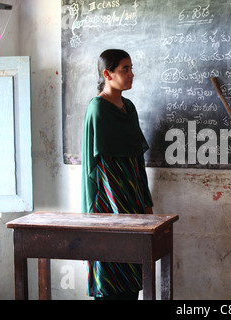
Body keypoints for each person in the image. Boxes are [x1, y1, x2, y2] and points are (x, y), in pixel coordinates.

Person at [81, 49, 154, 300]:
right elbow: (103, 167)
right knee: (110, 275)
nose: (131, 74)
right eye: (125, 69)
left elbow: (137, 160)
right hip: (109, 207)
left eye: (131, 68)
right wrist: (120, 213)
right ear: (107, 74)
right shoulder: (98, 109)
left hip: (132, 202)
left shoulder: (128, 108)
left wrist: (145, 203)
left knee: (132, 274)